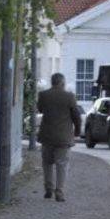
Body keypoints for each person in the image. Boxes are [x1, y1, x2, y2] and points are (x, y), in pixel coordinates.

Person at [37, 73, 81, 202]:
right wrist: (77, 131)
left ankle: (48, 189)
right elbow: (76, 116)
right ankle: (59, 192)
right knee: (61, 165)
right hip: (64, 137)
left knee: (47, 163)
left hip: (47, 136)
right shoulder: (69, 97)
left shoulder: (43, 95)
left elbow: (40, 109)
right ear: (62, 83)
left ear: (52, 82)